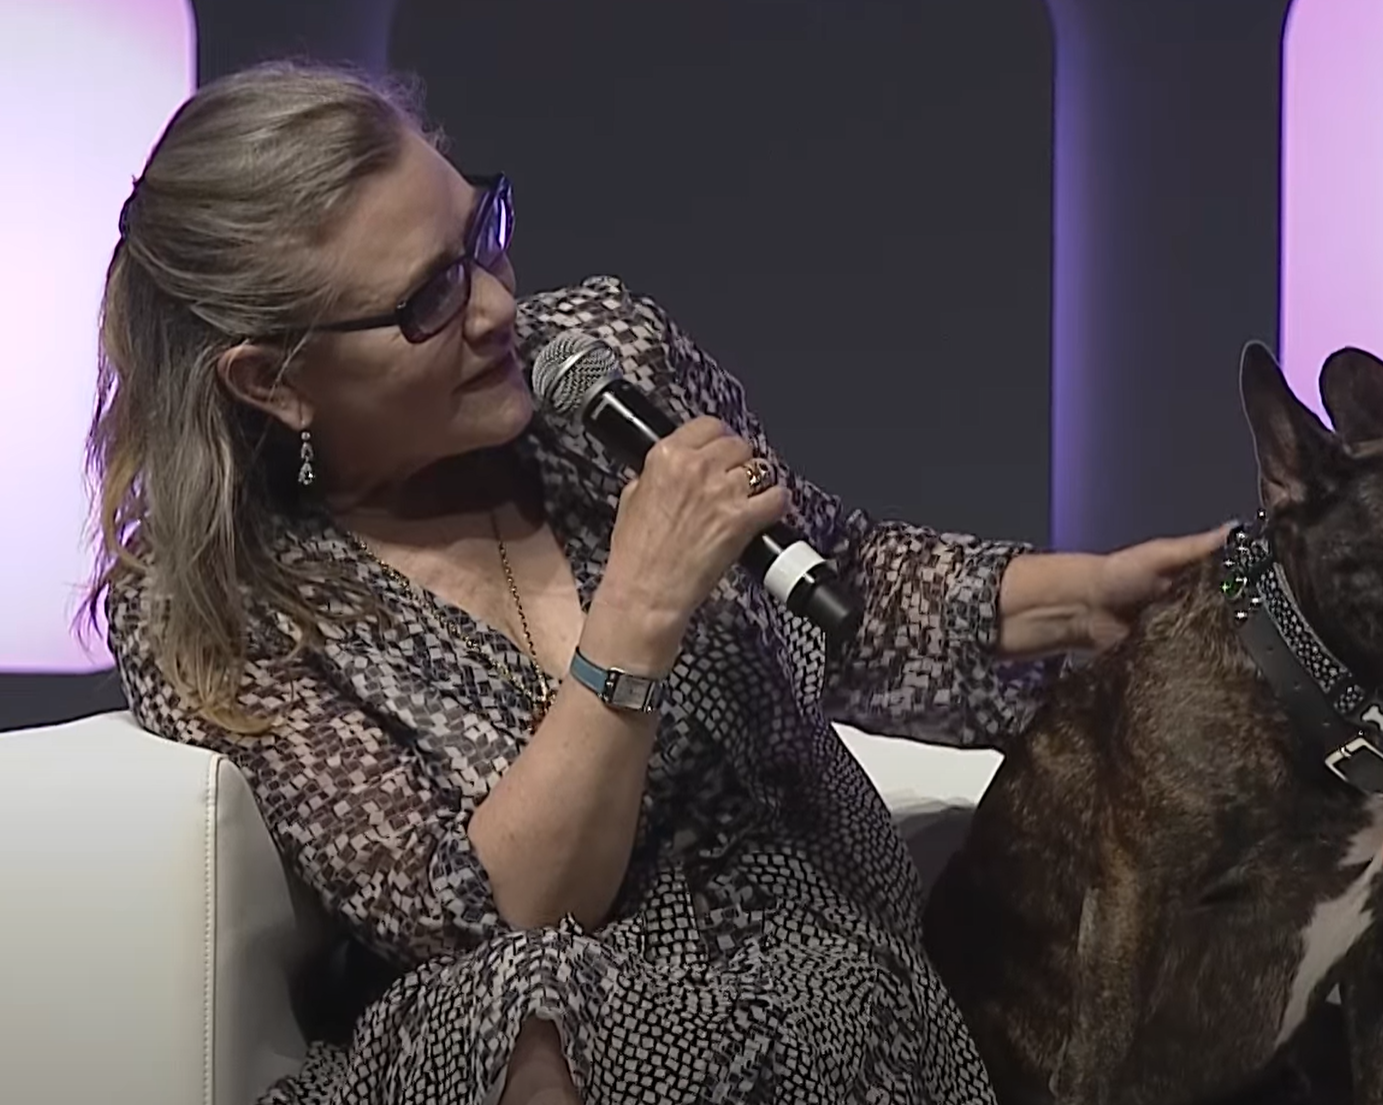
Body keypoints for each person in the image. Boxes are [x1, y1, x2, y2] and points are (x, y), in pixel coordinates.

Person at [88, 60, 1232, 1105]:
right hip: (519, 1025)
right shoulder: (216, 610)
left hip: (813, 973)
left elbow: (838, 587)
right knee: (522, 1017)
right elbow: (484, 914)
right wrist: (634, 611)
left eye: (479, 234)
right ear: (273, 381)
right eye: (427, 299)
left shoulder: (601, 365)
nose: (495, 309)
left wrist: (1088, 598)